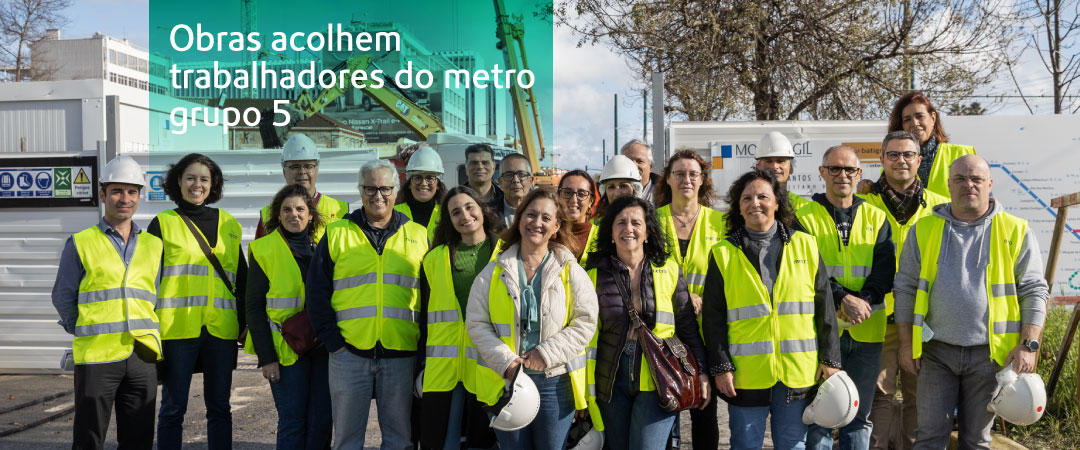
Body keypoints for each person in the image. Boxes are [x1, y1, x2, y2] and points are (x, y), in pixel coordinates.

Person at [894, 155, 1048, 449]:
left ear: (989, 184)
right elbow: (905, 288)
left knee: (977, 441)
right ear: (949, 185)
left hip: (990, 357)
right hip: (935, 352)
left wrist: (1029, 345)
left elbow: (1034, 290)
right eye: (961, 179)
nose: (969, 185)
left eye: (976, 179)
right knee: (928, 438)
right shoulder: (924, 230)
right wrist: (905, 344)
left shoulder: (1015, 230)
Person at [701, 169, 842, 450]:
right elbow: (713, 317)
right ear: (738, 207)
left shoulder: (806, 244)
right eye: (747, 198)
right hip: (746, 372)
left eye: (763, 196)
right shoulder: (723, 252)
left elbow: (824, 307)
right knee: (745, 444)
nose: (755, 203)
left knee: (793, 444)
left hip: (798, 371)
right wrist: (720, 366)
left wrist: (831, 359)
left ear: (777, 202)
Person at [306, 158, 430, 449]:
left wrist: (423, 346)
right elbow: (316, 292)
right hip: (348, 353)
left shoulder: (418, 235)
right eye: (370, 189)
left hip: (401, 353)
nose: (378, 196)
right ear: (360, 191)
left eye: (385, 189)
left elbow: (430, 296)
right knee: (347, 440)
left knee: (400, 439)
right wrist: (333, 341)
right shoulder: (337, 233)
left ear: (396, 192)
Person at [466, 189, 599, 450]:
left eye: (546, 218)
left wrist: (545, 354)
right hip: (506, 381)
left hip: (554, 382)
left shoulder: (570, 269)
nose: (537, 223)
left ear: (556, 226)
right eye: (531, 215)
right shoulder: (494, 270)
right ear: (519, 218)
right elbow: (476, 322)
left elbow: (585, 321)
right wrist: (506, 361)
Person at [52, 155, 163, 450]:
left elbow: (157, 294)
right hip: (97, 356)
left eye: (131, 192)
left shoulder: (154, 245)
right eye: (116, 191)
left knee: (139, 438)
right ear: (102, 195)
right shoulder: (81, 241)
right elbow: (63, 295)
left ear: (139, 196)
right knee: (89, 437)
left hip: (141, 355)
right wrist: (85, 328)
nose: (124, 198)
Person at [584, 195, 711, 450]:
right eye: (620, 223)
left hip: (658, 375)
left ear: (647, 231)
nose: (628, 229)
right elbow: (584, 336)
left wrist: (703, 372)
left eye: (636, 223)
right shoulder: (592, 274)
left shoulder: (669, 269)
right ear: (610, 231)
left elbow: (687, 327)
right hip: (611, 378)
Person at [797, 146, 896, 450]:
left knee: (859, 416)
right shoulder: (803, 217)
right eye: (835, 169)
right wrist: (841, 299)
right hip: (821, 333)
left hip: (867, 330)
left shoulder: (877, 217)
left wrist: (863, 300)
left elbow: (884, 270)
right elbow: (804, 271)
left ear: (859, 174)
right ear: (822, 172)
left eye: (849, 170)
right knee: (822, 416)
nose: (842, 175)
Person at [149, 153, 247, 450]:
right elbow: (147, 279)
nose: (197, 184)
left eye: (204, 179)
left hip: (221, 331)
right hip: (178, 330)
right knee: (173, 408)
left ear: (212, 184)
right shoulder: (162, 224)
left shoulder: (229, 224)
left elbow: (241, 278)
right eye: (190, 177)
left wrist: (244, 324)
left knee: (220, 408)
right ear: (177, 182)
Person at [863, 131, 949, 450]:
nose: (901, 160)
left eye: (908, 155)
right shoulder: (863, 203)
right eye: (894, 154)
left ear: (919, 160)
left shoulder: (942, 207)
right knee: (880, 396)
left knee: (921, 397)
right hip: (880, 318)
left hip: (925, 323)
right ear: (882, 159)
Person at [245, 184, 332, 450]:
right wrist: (267, 359)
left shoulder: (324, 247)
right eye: (287, 210)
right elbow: (254, 306)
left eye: (300, 209)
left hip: (322, 348)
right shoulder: (264, 249)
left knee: (321, 421)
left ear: (310, 214)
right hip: (285, 351)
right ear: (277, 215)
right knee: (293, 422)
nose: (294, 214)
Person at [416, 186, 501, 450]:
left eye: (469, 207)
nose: (464, 215)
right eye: (455, 212)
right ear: (449, 221)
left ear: (482, 209)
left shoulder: (506, 252)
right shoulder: (433, 259)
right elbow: (424, 316)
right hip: (444, 367)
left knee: (482, 442)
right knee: (442, 441)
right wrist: (421, 363)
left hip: (488, 364)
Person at [654, 150, 726, 450]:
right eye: (679, 173)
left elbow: (729, 276)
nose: (686, 179)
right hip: (664, 330)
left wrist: (703, 299)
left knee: (704, 408)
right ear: (668, 178)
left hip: (706, 330)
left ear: (702, 180)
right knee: (664, 407)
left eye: (693, 174)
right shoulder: (651, 220)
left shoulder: (720, 223)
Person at [255, 133, 350, 242]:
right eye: (295, 167)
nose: (302, 172)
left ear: (316, 170)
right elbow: (259, 255)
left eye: (308, 166)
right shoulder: (268, 215)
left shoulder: (340, 211)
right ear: (284, 171)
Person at [887, 91, 976, 199]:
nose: (915, 123)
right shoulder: (892, 162)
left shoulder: (963, 154)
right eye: (907, 119)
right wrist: (869, 186)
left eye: (919, 116)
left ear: (933, 118)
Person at [583, 155, 643, 264]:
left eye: (623, 186)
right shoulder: (594, 225)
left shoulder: (648, 222)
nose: (617, 193)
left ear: (635, 189)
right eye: (611, 187)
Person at [395, 146, 447, 242]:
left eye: (430, 178)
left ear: (438, 184)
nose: (423, 183)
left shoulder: (447, 213)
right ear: (409, 184)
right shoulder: (394, 214)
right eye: (418, 177)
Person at [755, 131, 810, 211]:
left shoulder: (805, 207)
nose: (774, 166)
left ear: (791, 168)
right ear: (758, 167)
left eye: (780, 161)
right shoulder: (746, 207)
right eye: (768, 161)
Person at [557, 169, 598, 260]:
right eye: (567, 192)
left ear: (591, 201)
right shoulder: (548, 234)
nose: (574, 200)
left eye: (581, 194)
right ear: (558, 197)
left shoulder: (602, 237)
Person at [494, 153, 534, 228]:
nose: (515, 180)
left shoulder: (543, 210)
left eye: (521, 174)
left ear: (530, 180)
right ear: (500, 182)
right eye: (508, 175)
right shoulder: (488, 213)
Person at [462, 143, 504, 208]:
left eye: (485, 163)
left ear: (493, 168)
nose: (480, 167)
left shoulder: (505, 199)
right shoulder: (455, 199)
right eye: (474, 163)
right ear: (466, 168)